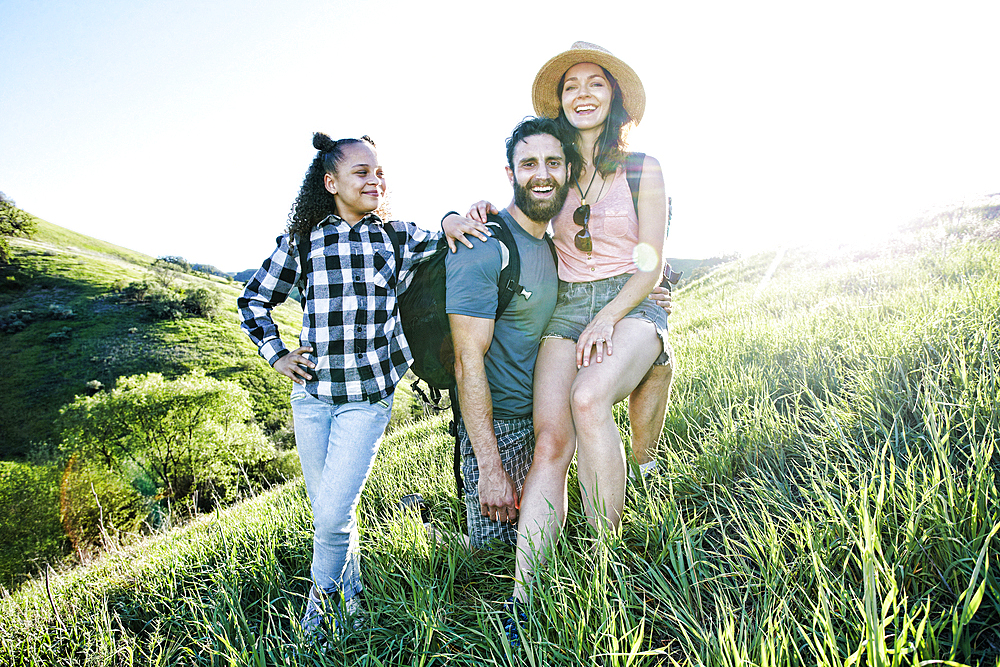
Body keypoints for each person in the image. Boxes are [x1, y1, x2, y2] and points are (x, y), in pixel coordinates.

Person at [237, 133, 481, 638]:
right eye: (361, 172)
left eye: (379, 172)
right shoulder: (302, 243)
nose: (376, 180)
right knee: (329, 514)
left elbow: (443, 234)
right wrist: (277, 353)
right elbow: (252, 302)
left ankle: (318, 617)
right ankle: (350, 606)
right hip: (312, 398)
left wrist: (455, 216)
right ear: (330, 183)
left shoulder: (393, 236)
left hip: (367, 399)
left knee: (330, 516)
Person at [506, 41, 672, 631]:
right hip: (568, 308)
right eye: (571, 85)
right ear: (559, 100)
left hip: (633, 302)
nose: (582, 93)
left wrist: (609, 318)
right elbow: (516, 214)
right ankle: (523, 598)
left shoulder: (641, 167)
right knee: (551, 439)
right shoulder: (556, 166)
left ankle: (604, 567)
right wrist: (460, 216)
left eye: (595, 83)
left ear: (614, 98)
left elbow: (651, 261)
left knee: (588, 398)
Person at [444, 117, 575, 549]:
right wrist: (490, 468)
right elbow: (467, 363)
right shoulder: (483, 245)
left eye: (553, 162)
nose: (542, 174)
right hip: (496, 429)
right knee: (492, 557)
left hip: (549, 422)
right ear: (510, 174)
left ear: (567, 171)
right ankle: (439, 533)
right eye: (528, 163)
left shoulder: (559, 249)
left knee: (555, 542)